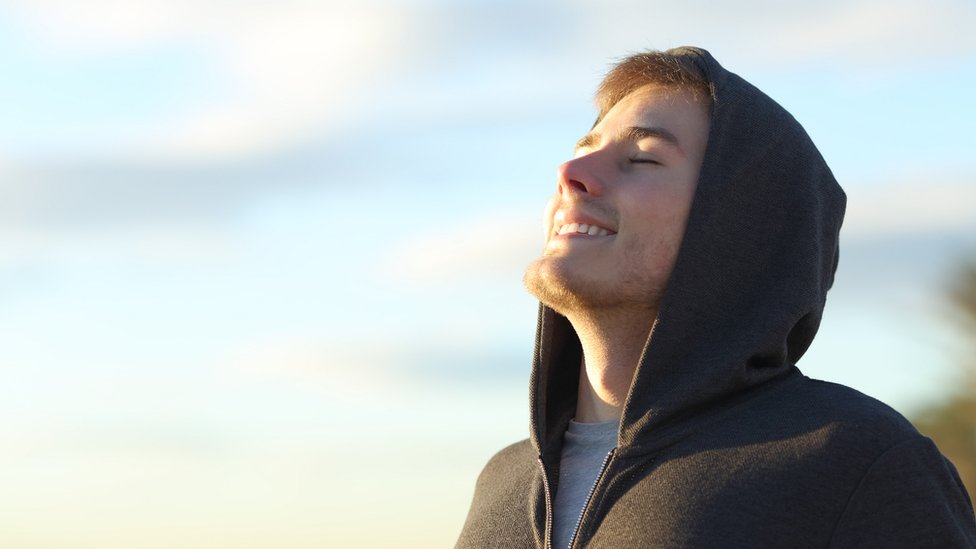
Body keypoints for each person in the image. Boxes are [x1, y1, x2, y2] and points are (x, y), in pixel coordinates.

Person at [455, 47, 976, 548]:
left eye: (642, 159)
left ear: (739, 228)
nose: (570, 175)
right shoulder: (504, 481)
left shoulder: (856, 462)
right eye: (584, 151)